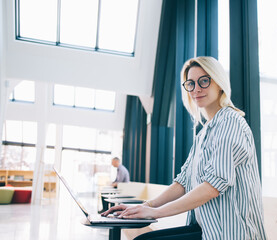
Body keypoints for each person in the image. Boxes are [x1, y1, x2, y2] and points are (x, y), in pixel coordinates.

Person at [102, 56, 267, 239]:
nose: (196, 89)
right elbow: (182, 183)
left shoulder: (230, 122)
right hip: (206, 229)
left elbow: (212, 187)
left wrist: (156, 213)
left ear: (219, 83)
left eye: (204, 81)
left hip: (231, 233)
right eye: (190, 84)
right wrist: (148, 206)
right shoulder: (203, 134)